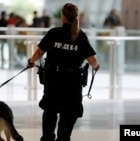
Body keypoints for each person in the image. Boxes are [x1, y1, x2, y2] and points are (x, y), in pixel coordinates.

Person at [27, 3, 100, 141]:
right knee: (68, 115)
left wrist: (31, 61)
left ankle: (48, 138)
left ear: (63, 16)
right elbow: (92, 60)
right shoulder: (80, 36)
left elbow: (39, 51)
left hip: (53, 81)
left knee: (50, 112)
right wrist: (96, 66)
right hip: (72, 84)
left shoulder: (54, 33)